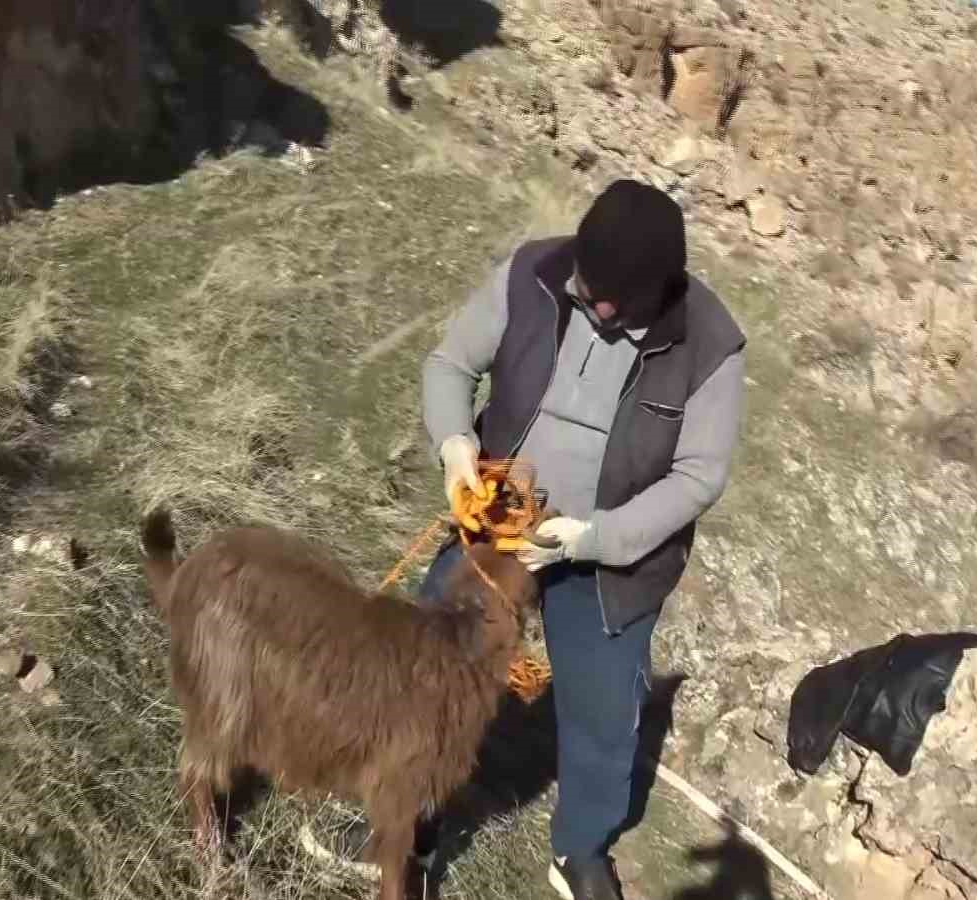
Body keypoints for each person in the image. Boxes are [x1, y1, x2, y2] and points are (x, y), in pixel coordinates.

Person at [302, 178, 748, 900]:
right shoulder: (532, 275)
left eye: (618, 300)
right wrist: (454, 446)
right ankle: (407, 826)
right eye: (591, 287)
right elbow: (449, 364)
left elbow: (699, 477)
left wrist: (592, 538)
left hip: (611, 552)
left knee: (603, 707)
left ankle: (582, 849)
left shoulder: (710, 342)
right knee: (430, 675)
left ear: (663, 287)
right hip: (497, 523)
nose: (599, 307)